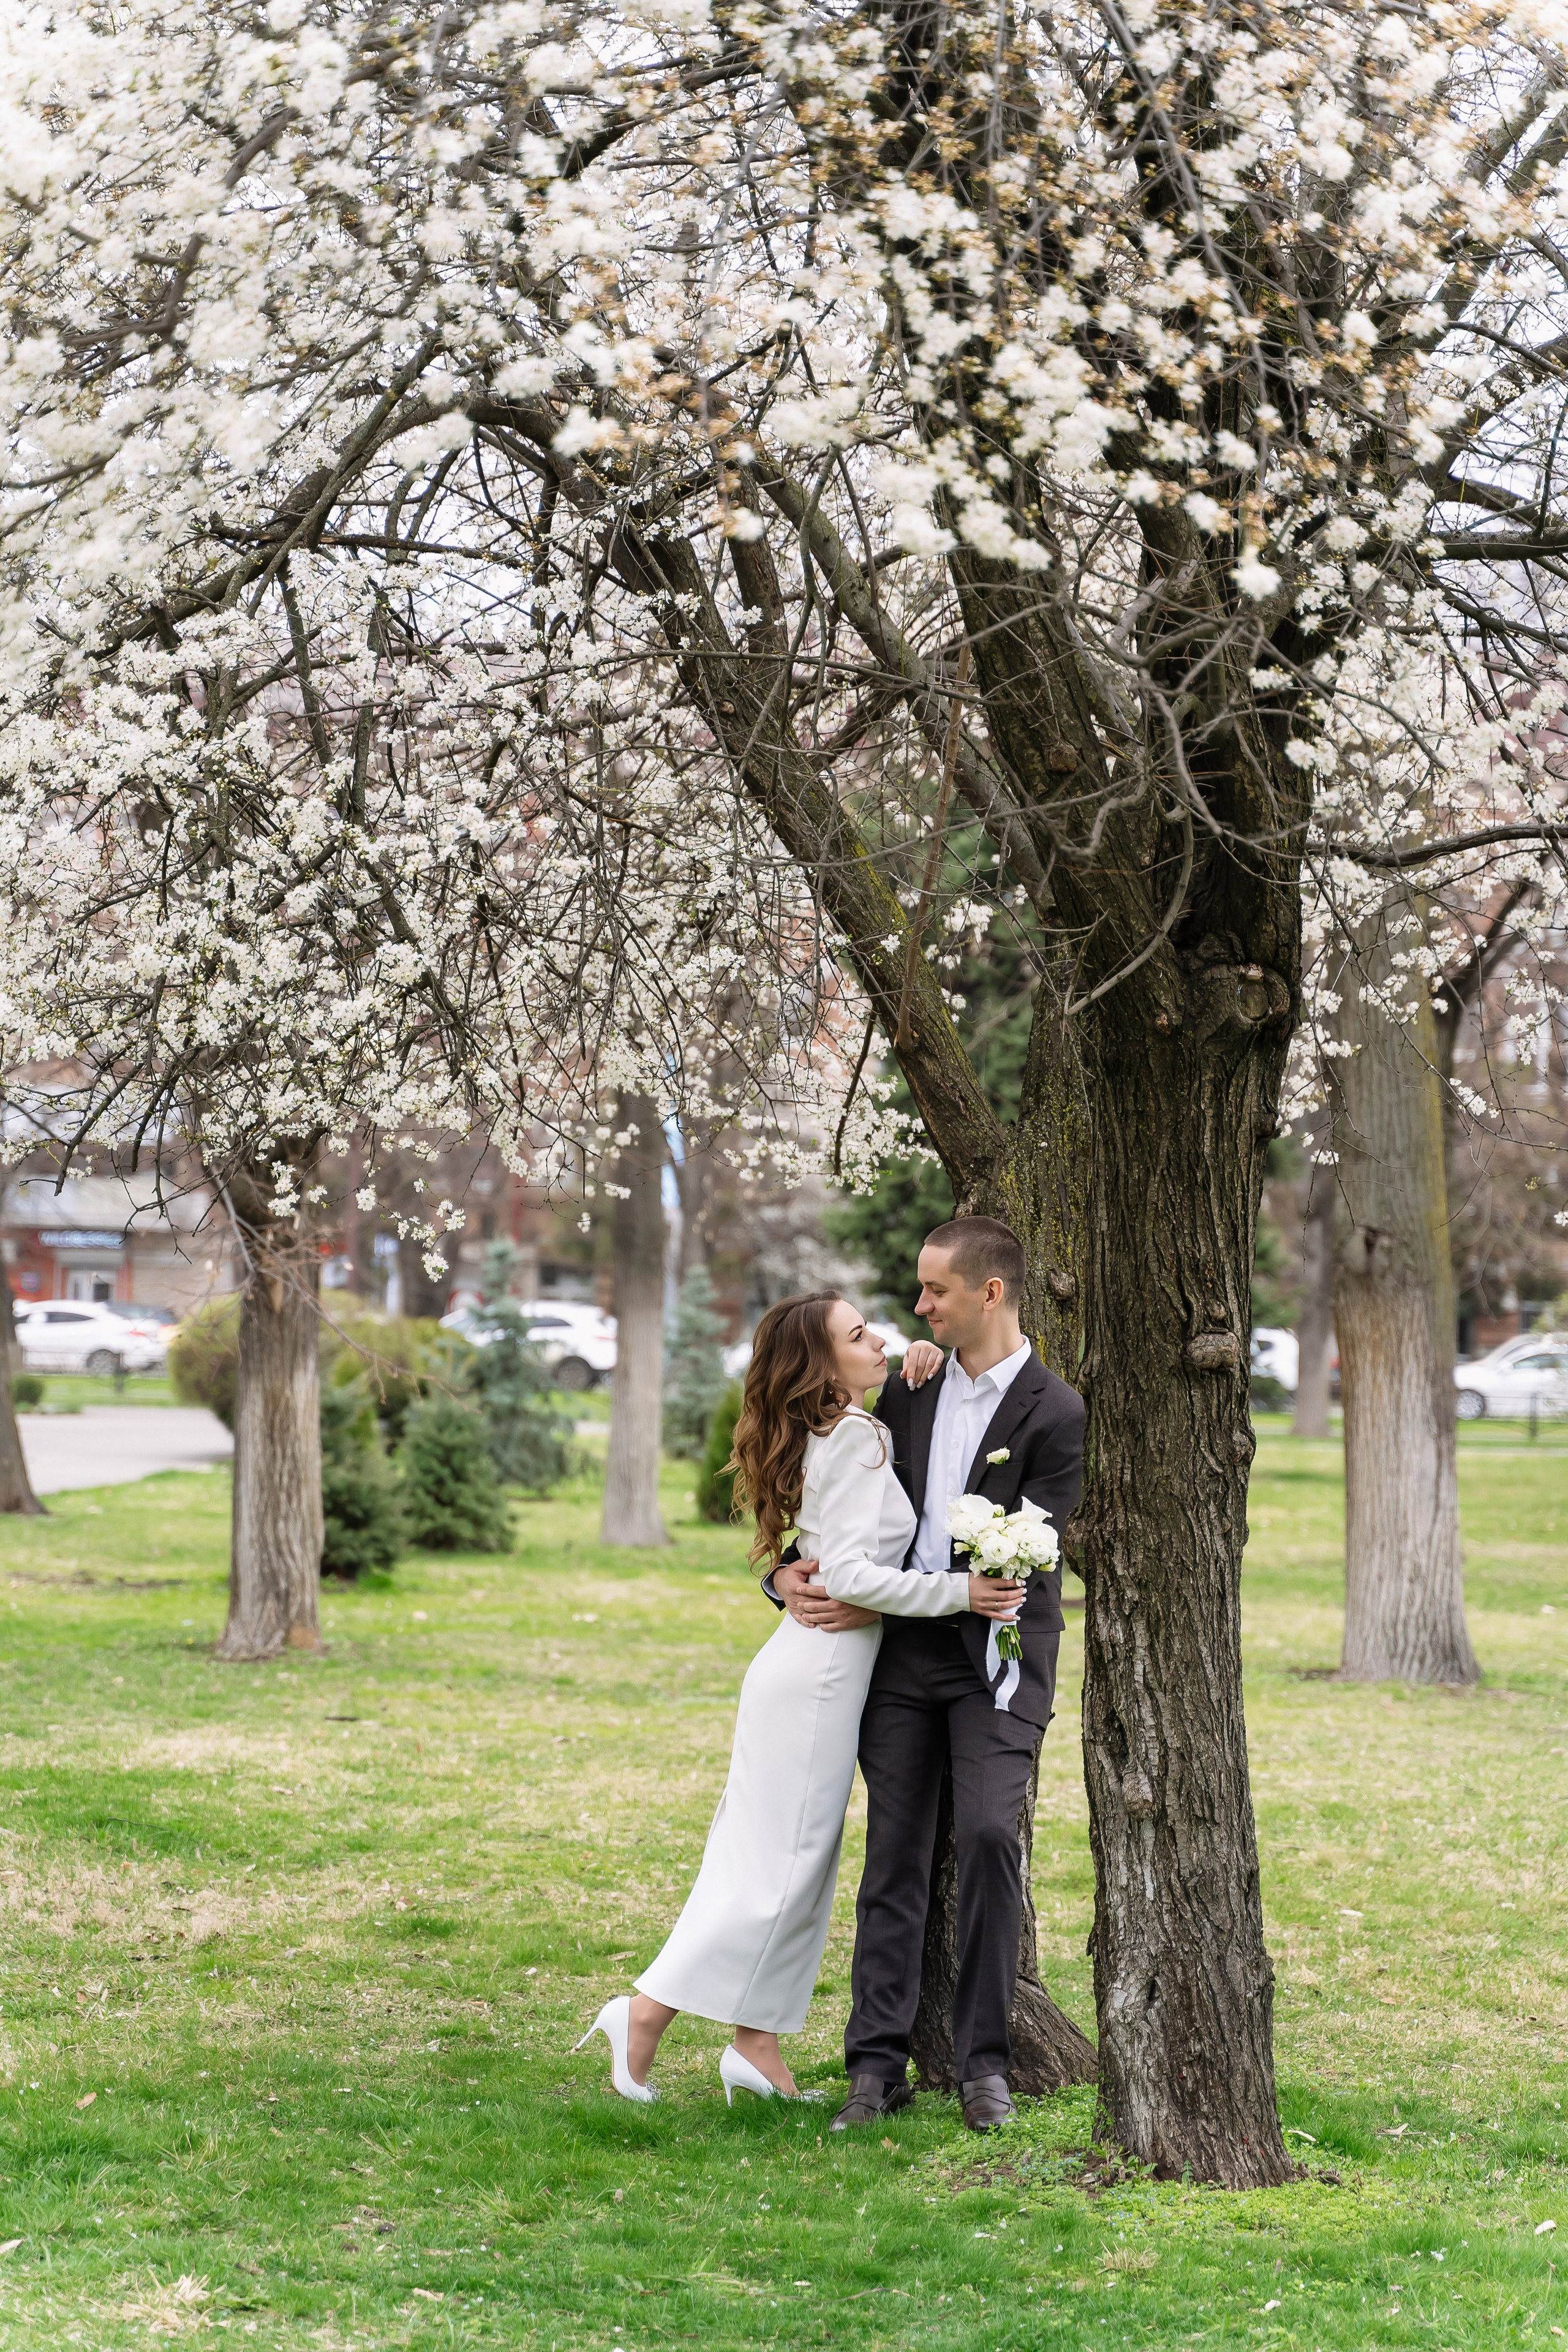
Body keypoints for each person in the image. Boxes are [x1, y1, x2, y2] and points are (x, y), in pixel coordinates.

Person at [573, 1291, 1024, 2105]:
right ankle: (643, 2013)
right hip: (816, 1678)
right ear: (823, 1367)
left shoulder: (840, 1428)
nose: (881, 1337)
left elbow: (825, 1553)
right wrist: (964, 1592)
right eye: (858, 1336)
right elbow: (848, 1575)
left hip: (813, 1669)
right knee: (774, 1873)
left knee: (786, 1867)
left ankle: (756, 2047)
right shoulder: (851, 1439)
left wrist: (912, 1370)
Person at [774, 1217, 1084, 2134]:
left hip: (997, 1662)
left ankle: (985, 2066)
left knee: (989, 1838)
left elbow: (1032, 1548)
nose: (919, 1307)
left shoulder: (1055, 1411)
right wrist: (781, 1572)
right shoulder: (902, 1391)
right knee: (895, 1856)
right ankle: (875, 2068)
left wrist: (978, 1594)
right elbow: (840, 1512)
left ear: (989, 1294)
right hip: (902, 1662)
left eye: (935, 1292)